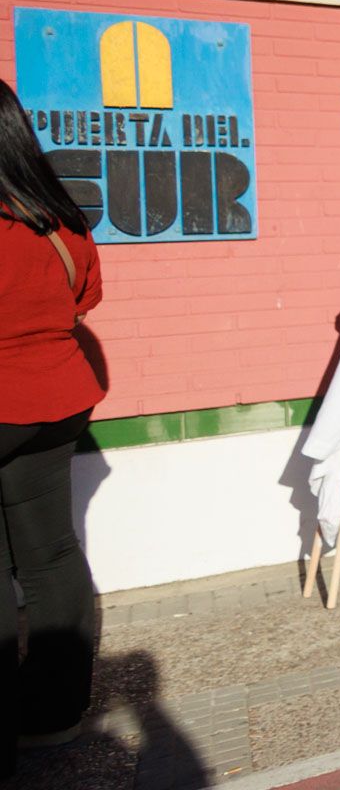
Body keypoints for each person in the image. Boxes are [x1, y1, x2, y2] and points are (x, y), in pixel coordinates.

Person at [0, 79, 104, 766]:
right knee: (50, 554)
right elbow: (86, 296)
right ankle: (58, 713)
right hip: (61, 398)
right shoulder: (59, 216)